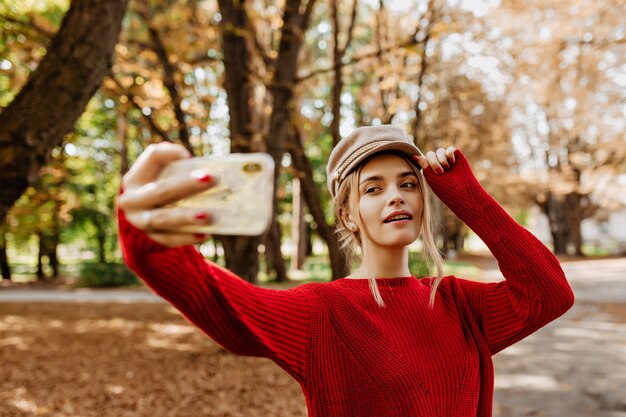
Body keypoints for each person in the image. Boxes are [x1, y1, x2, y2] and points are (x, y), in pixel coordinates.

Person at [117, 125, 575, 416]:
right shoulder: (322, 312)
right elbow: (221, 303)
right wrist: (149, 244)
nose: (396, 197)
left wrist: (464, 194)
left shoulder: (458, 303)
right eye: (373, 188)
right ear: (350, 215)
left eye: (409, 185)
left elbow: (549, 294)